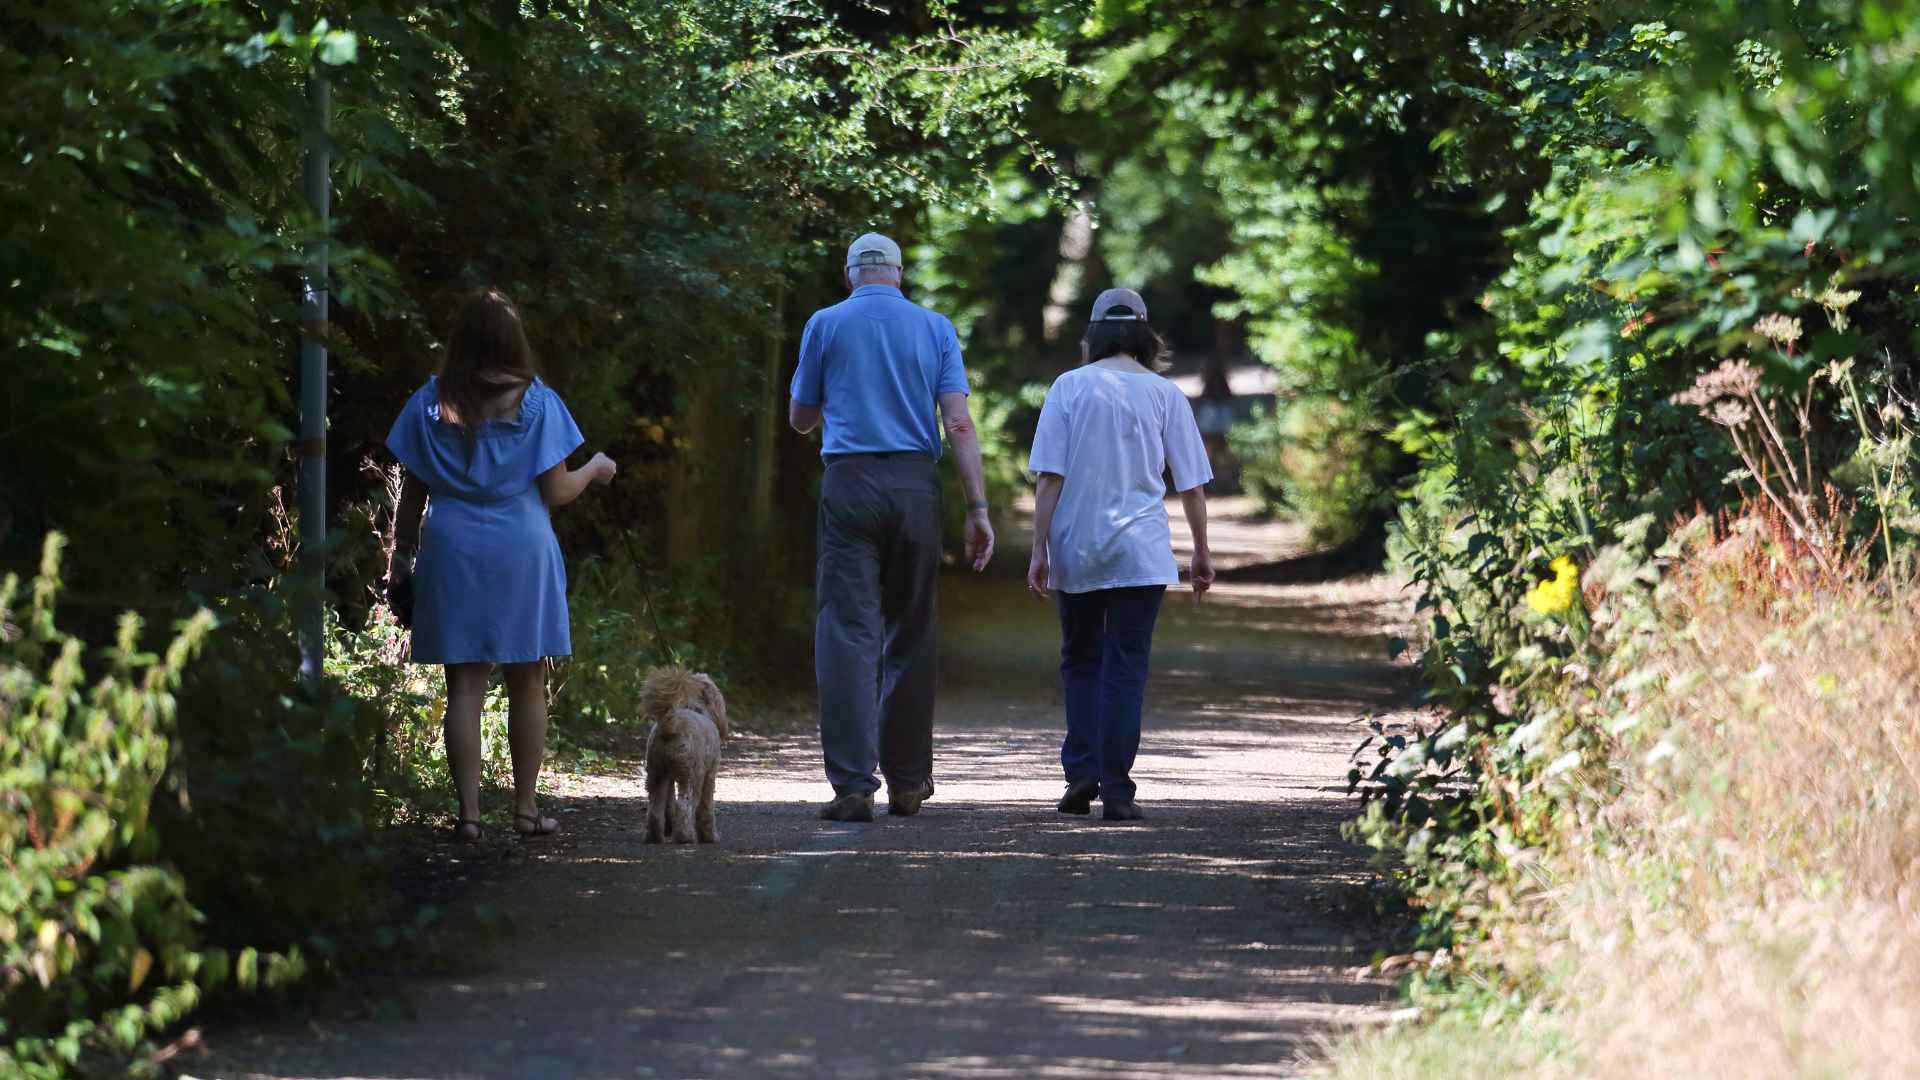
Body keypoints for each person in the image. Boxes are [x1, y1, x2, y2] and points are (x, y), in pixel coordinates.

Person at [384, 288, 617, 842]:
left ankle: (467, 816)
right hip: (520, 542)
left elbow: (412, 495)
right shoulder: (537, 403)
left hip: (452, 544)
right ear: (514, 341)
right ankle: (525, 810)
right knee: (527, 678)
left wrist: (400, 557)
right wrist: (596, 469)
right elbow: (557, 490)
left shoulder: (428, 403)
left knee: (464, 683)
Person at [789, 232, 995, 823]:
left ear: (851, 273)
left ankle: (853, 785)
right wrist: (977, 507)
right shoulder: (935, 328)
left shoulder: (824, 324)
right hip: (914, 486)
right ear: (899, 274)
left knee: (847, 630)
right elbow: (957, 424)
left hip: (849, 484)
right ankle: (908, 782)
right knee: (911, 627)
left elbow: (801, 420)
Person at [1025, 288, 1215, 822]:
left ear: (1093, 335)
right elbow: (1192, 486)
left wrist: (1039, 551)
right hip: (1141, 551)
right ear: (1144, 335)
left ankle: (1082, 770)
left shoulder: (1067, 388)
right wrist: (1202, 552)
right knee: (1126, 669)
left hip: (1076, 547)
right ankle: (1119, 789)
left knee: (1081, 659)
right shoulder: (1164, 394)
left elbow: (1048, 478)